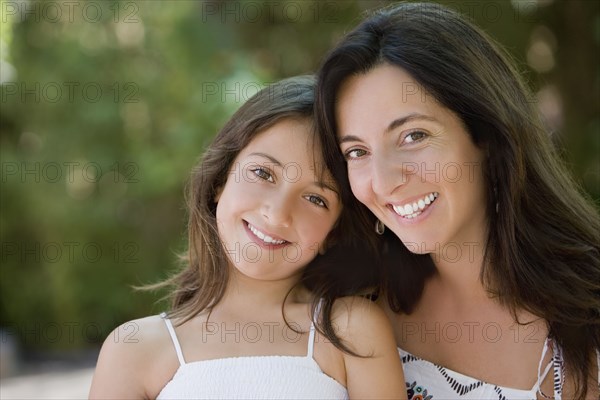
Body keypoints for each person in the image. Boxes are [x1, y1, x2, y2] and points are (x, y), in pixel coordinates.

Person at [315, 3, 600, 400]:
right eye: (357, 152)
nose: (383, 181)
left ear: (485, 134)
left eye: (413, 136)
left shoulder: (588, 310)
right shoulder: (339, 313)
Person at [88, 75, 407, 399]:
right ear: (219, 181)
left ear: (333, 232)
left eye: (316, 199)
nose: (278, 214)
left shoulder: (351, 331)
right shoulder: (132, 348)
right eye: (263, 173)